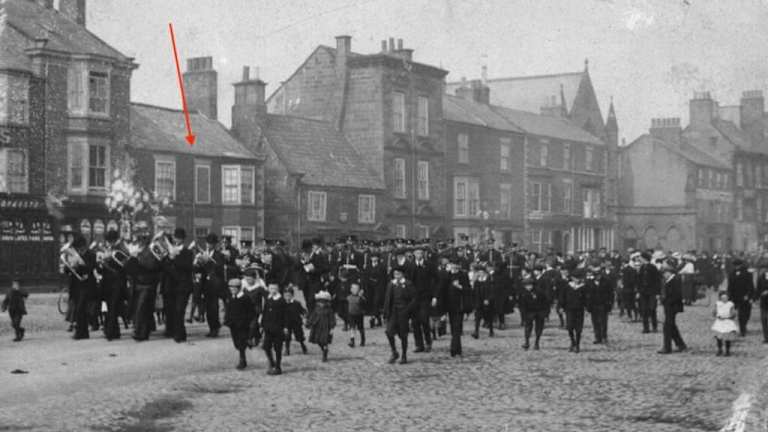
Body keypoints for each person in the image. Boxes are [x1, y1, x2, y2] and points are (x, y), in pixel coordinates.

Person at [161, 228, 195, 343]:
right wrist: (169, 258)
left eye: (179, 238)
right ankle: (177, 332)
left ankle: (179, 335)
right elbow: (164, 266)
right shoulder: (170, 251)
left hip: (183, 285)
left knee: (180, 310)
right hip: (172, 286)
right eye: (176, 238)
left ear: (183, 239)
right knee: (172, 310)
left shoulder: (187, 252)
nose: (177, 240)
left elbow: (187, 267)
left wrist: (175, 257)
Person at [383, 266, 416, 364]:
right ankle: (394, 352)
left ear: (402, 274)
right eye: (395, 274)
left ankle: (404, 355)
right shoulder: (391, 284)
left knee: (403, 335)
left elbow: (414, 299)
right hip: (393, 312)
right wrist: (385, 313)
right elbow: (387, 299)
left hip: (403, 312)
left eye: (398, 274)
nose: (396, 276)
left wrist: (408, 310)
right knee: (389, 332)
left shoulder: (408, 284)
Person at [224, 279, 256, 370]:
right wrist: (227, 320)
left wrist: (248, 322)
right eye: (231, 288)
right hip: (233, 324)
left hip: (242, 324)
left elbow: (251, 312)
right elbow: (228, 309)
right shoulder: (231, 298)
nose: (232, 290)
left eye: (234, 288)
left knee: (241, 342)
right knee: (236, 343)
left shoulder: (245, 298)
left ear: (239, 288)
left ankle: (242, 360)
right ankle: (244, 349)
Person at [658, 259, 687, 354]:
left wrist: (666, 300)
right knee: (672, 326)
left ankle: (667, 347)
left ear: (669, 272)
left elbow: (677, 295)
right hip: (668, 306)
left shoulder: (675, 280)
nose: (664, 275)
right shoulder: (669, 280)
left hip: (673, 306)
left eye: (665, 273)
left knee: (667, 327)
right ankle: (681, 344)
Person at [518, 276, 550, 350]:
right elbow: (521, 304)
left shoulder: (540, 292)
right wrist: (523, 314)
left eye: (530, 285)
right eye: (526, 285)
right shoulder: (523, 293)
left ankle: (537, 343)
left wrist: (546, 313)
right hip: (529, 312)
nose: (528, 287)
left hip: (539, 312)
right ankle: (527, 342)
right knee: (528, 327)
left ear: (533, 285)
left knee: (539, 328)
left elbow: (546, 303)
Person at [262, 282, 286, 375]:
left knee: (277, 348)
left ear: (278, 289)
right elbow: (265, 312)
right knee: (266, 346)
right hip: (268, 328)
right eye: (271, 288)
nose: (273, 290)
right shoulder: (268, 299)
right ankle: (272, 362)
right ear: (268, 289)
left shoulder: (281, 300)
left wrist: (285, 327)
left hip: (278, 328)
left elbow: (285, 315)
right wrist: (263, 324)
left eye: (275, 288)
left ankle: (278, 366)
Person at [727, 259, 754, 337]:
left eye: (738, 265)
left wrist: (748, 295)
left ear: (741, 265)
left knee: (747, 313)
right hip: (735, 297)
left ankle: (744, 325)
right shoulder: (731, 273)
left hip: (745, 296)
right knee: (740, 315)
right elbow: (730, 286)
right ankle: (742, 330)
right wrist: (729, 296)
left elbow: (750, 285)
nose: (737, 267)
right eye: (735, 266)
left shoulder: (747, 273)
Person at [308, 290, 336, 361]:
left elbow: (332, 319)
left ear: (327, 302)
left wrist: (332, 327)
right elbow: (313, 316)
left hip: (325, 328)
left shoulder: (329, 310)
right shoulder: (316, 309)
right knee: (318, 340)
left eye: (323, 302)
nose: (321, 303)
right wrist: (309, 322)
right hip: (317, 327)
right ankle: (323, 349)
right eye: (320, 301)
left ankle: (325, 353)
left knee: (324, 340)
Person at [711, 290, 738, 356]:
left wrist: (731, 315)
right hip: (720, 321)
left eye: (726, 297)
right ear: (720, 298)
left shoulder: (730, 304)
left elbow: (733, 313)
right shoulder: (718, 304)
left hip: (727, 321)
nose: (724, 299)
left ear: (728, 297)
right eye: (723, 298)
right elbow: (714, 312)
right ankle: (719, 349)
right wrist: (716, 314)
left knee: (727, 337)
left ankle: (727, 350)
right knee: (719, 336)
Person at [471, 265, 494, 339]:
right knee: (477, 317)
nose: (480, 274)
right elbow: (474, 292)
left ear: (485, 273)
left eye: (482, 272)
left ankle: (491, 330)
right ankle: (476, 332)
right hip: (478, 302)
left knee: (488, 317)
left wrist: (488, 299)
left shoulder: (489, 281)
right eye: (479, 272)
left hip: (487, 302)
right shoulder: (477, 281)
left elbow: (491, 291)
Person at [283, 287, 308, 355]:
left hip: (296, 322)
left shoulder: (296, 303)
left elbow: (302, 310)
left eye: (289, 295)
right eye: (286, 295)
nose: (287, 297)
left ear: (292, 295)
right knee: (287, 336)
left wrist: (304, 314)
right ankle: (287, 349)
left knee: (299, 336)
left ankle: (303, 346)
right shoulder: (282, 304)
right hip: (286, 323)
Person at [347, 281, 366, 347]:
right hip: (351, 315)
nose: (355, 290)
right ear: (351, 290)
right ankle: (352, 340)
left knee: (360, 328)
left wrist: (361, 296)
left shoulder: (360, 298)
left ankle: (363, 339)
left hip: (359, 315)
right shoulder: (349, 297)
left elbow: (364, 303)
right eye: (354, 289)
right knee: (352, 328)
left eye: (357, 289)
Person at [757, 268, 768, 343]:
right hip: (763, 302)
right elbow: (758, 288)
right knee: (764, 320)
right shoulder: (761, 276)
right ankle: (766, 337)